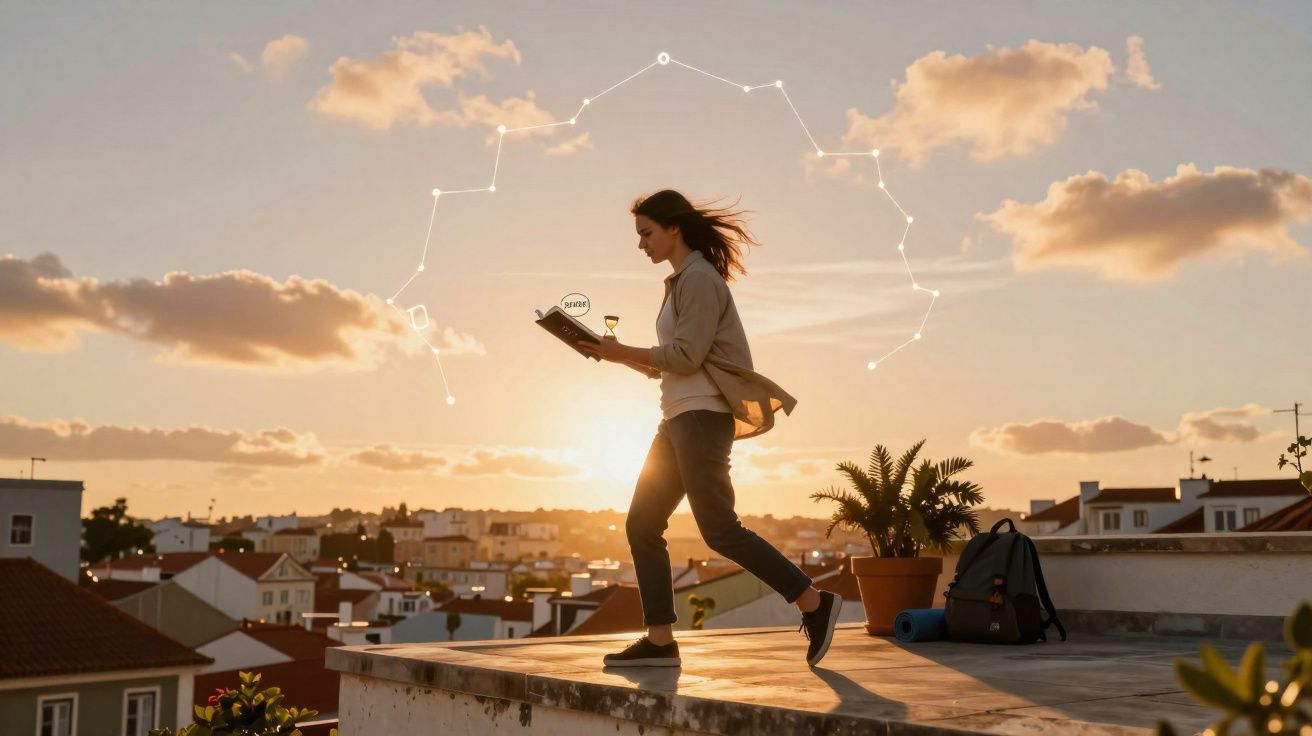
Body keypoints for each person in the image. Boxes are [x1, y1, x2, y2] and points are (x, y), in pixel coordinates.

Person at [576, 189, 842, 668]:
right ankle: (660, 641)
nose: (641, 245)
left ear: (673, 227)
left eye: (646, 233)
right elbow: (671, 365)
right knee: (641, 524)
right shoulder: (679, 282)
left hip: (701, 418)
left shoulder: (698, 279)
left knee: (719, 529)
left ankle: (814, 602)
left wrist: (623, 351)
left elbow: (685, 357)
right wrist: (611, 354)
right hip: (676, 416)